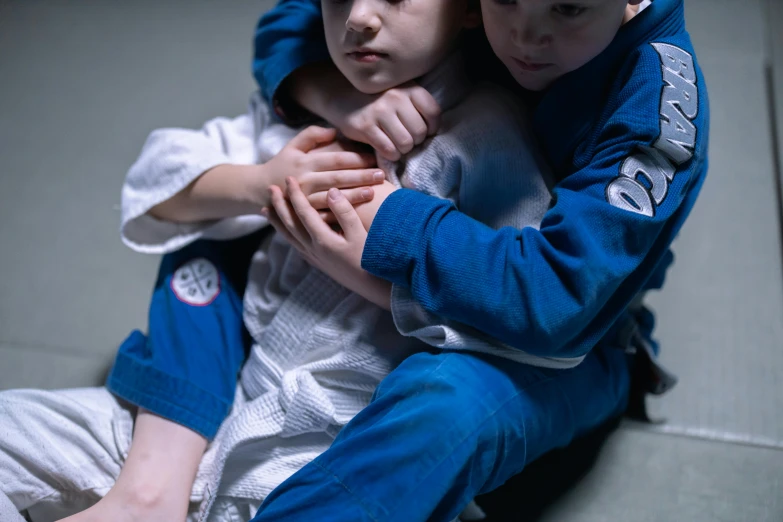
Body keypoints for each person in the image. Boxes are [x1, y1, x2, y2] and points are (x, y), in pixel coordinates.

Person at [0, 0, 558, 520]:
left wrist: (363, 270)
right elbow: (155, 182)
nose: (359, 18)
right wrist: (261, 183)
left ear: (466, 7)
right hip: (197, 414)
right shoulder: (319, 111)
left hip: (324, 444)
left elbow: (512, 308)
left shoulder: (489, 136)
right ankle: (149, 491)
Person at [241, 0, 708, 520]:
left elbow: (559, 299)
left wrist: (400, 224)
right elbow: (293, 21)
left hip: (569, 341)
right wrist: (340, 97)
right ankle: (164, 446)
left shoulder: (655, 101)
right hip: (437, 248)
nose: (527, 38)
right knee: (251, 195)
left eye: (569, 8)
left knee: (441, 408)